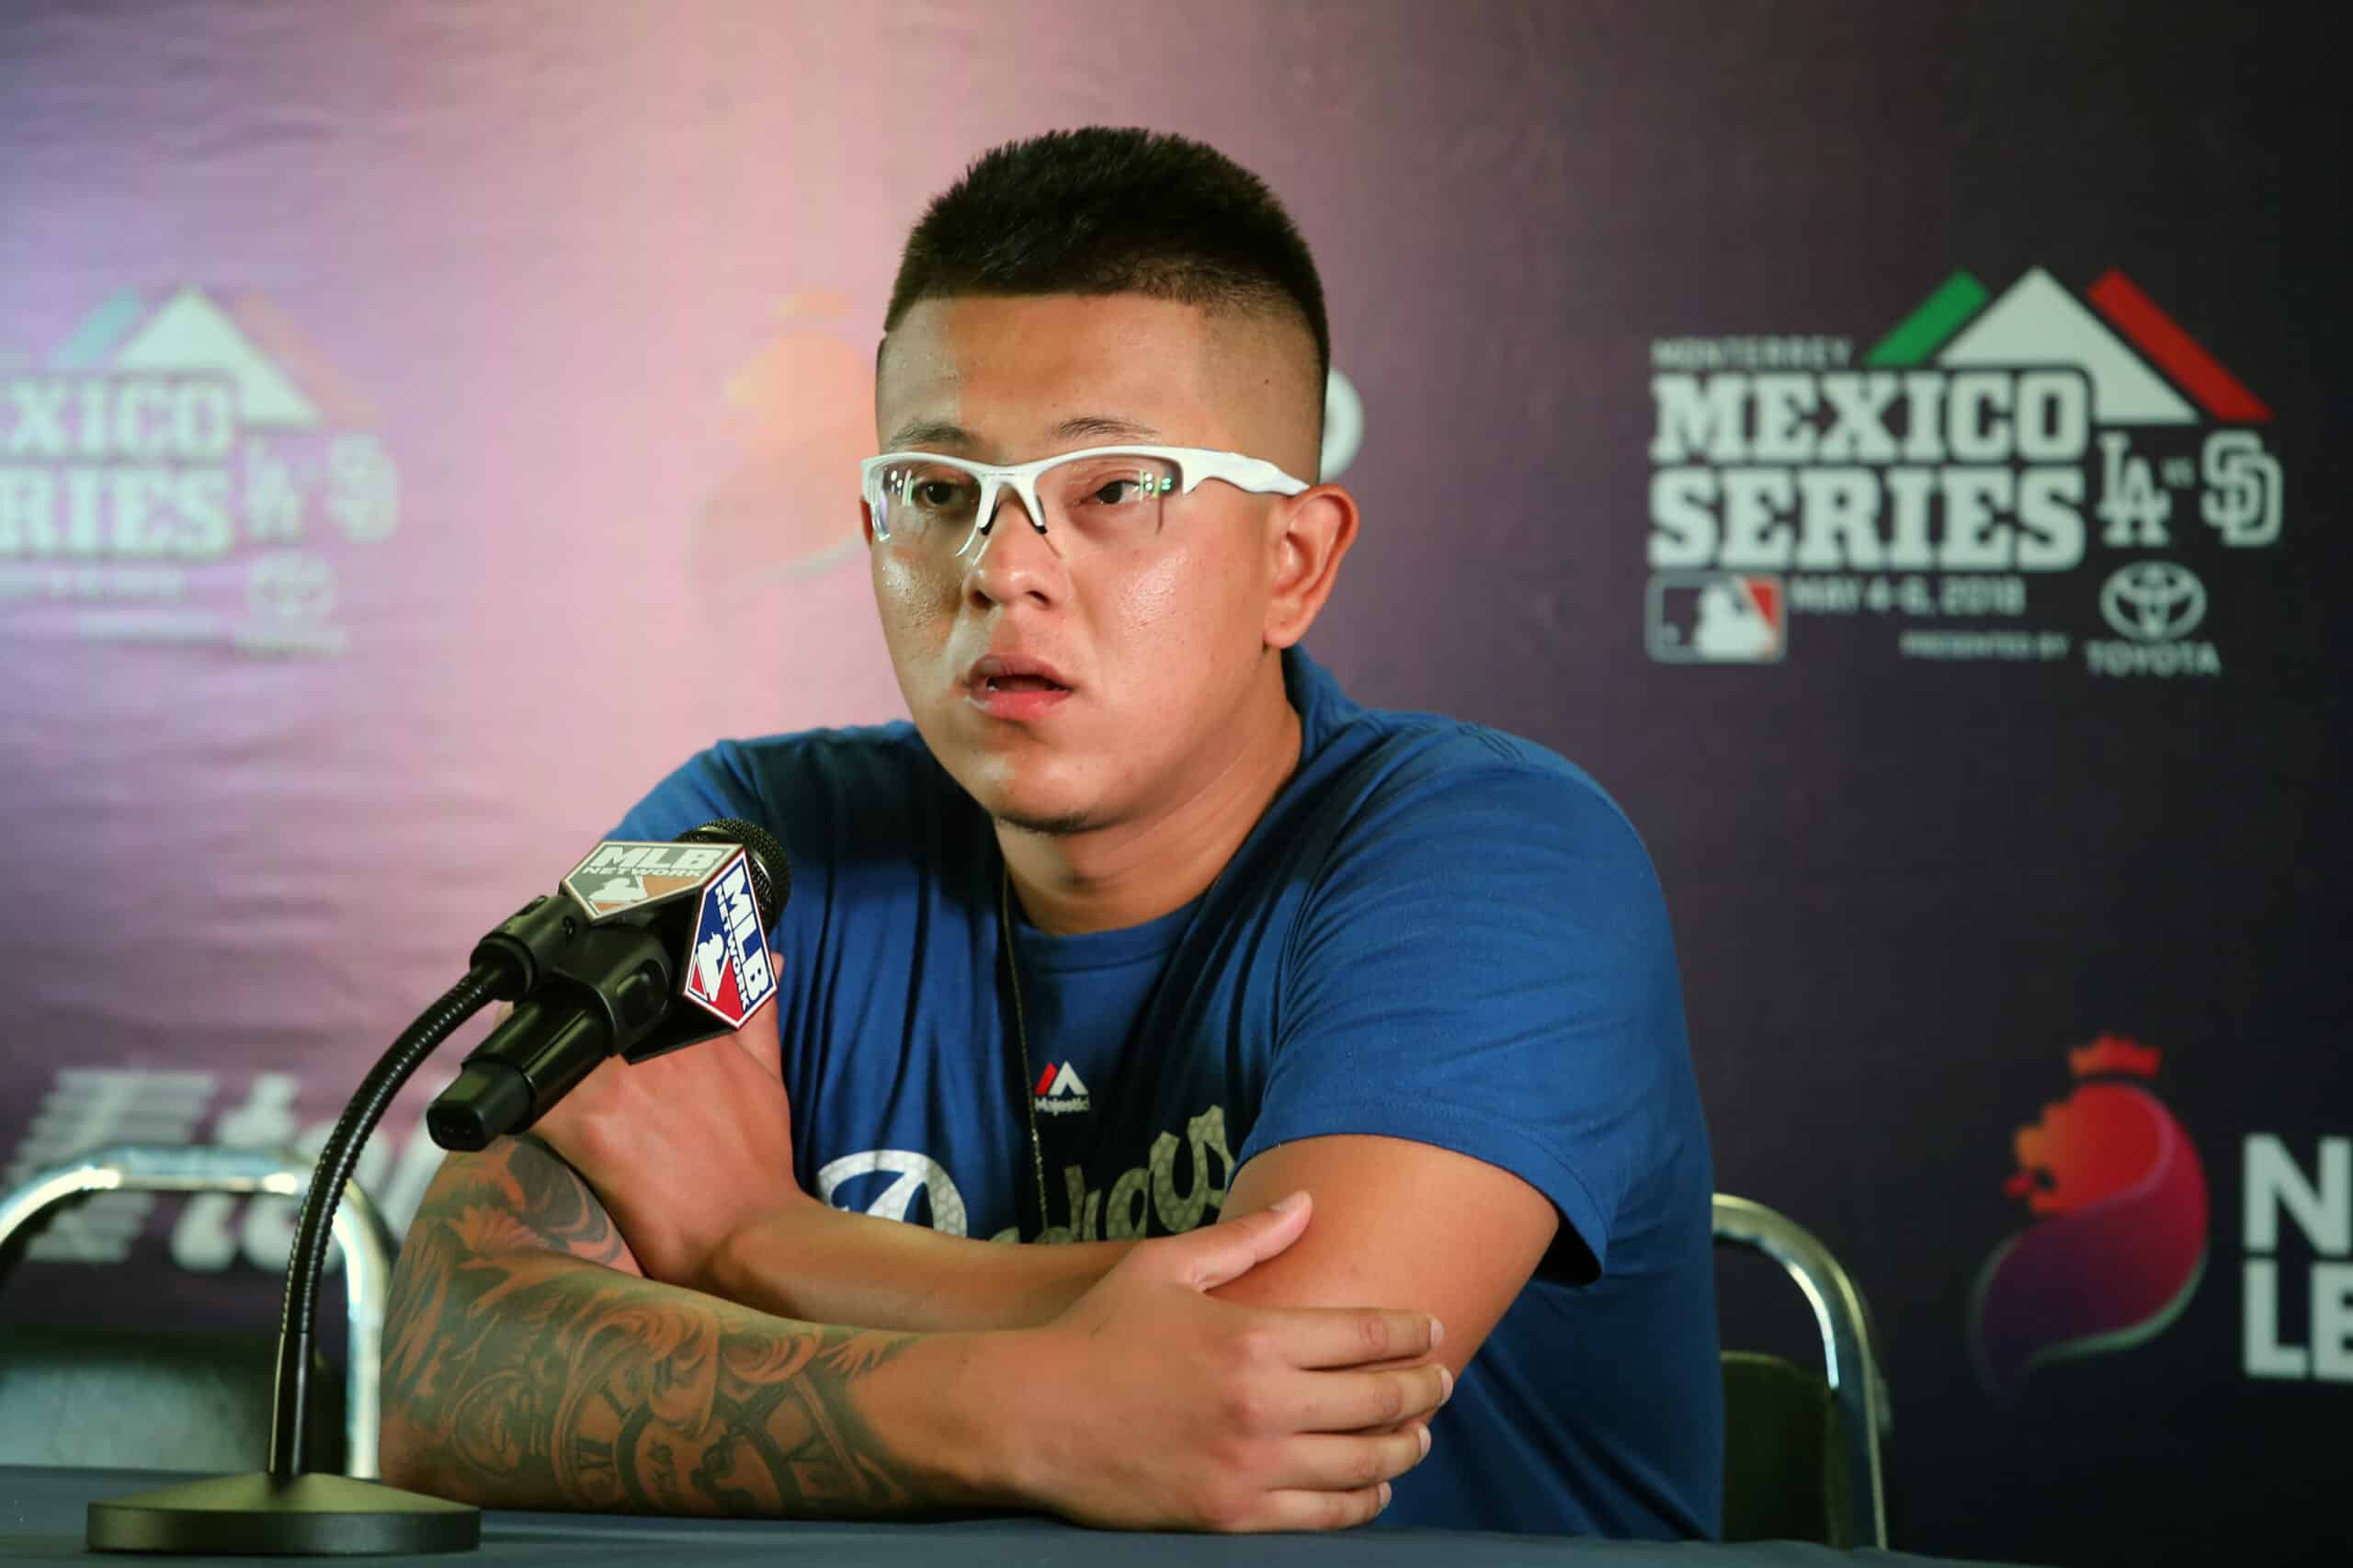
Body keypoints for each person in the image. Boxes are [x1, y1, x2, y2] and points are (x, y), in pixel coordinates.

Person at [380, 126, 1721, 1538]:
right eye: (937, 493)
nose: (1000, 569)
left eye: (1115, 489)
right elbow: (447, 1368)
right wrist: (1025, 1410)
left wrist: (749, 1238)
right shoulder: (749, 845)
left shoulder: (1495, 851)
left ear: (1295, 560)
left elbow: (1276, 1384)